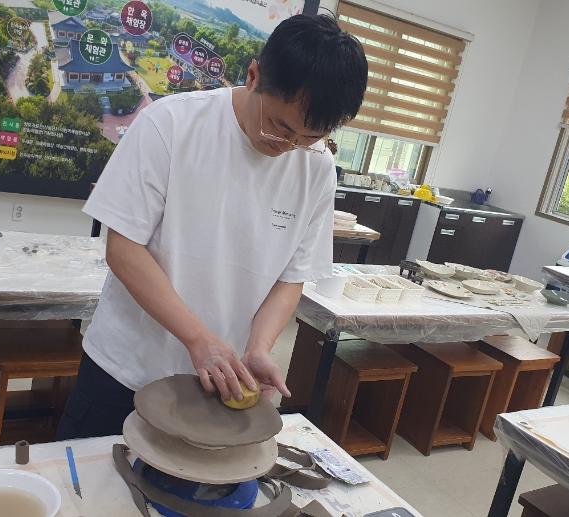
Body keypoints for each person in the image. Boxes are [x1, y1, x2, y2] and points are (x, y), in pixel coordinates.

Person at [57, 14, 367, 439]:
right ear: (253, 76)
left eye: (308, 138)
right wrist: (198, 339)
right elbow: (123, 249)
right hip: (126, 370)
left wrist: (258, 346)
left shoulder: (317, 168)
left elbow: (290, 279)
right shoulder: (171, 124)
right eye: (280, 126)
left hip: (216, 382)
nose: (288, 147)